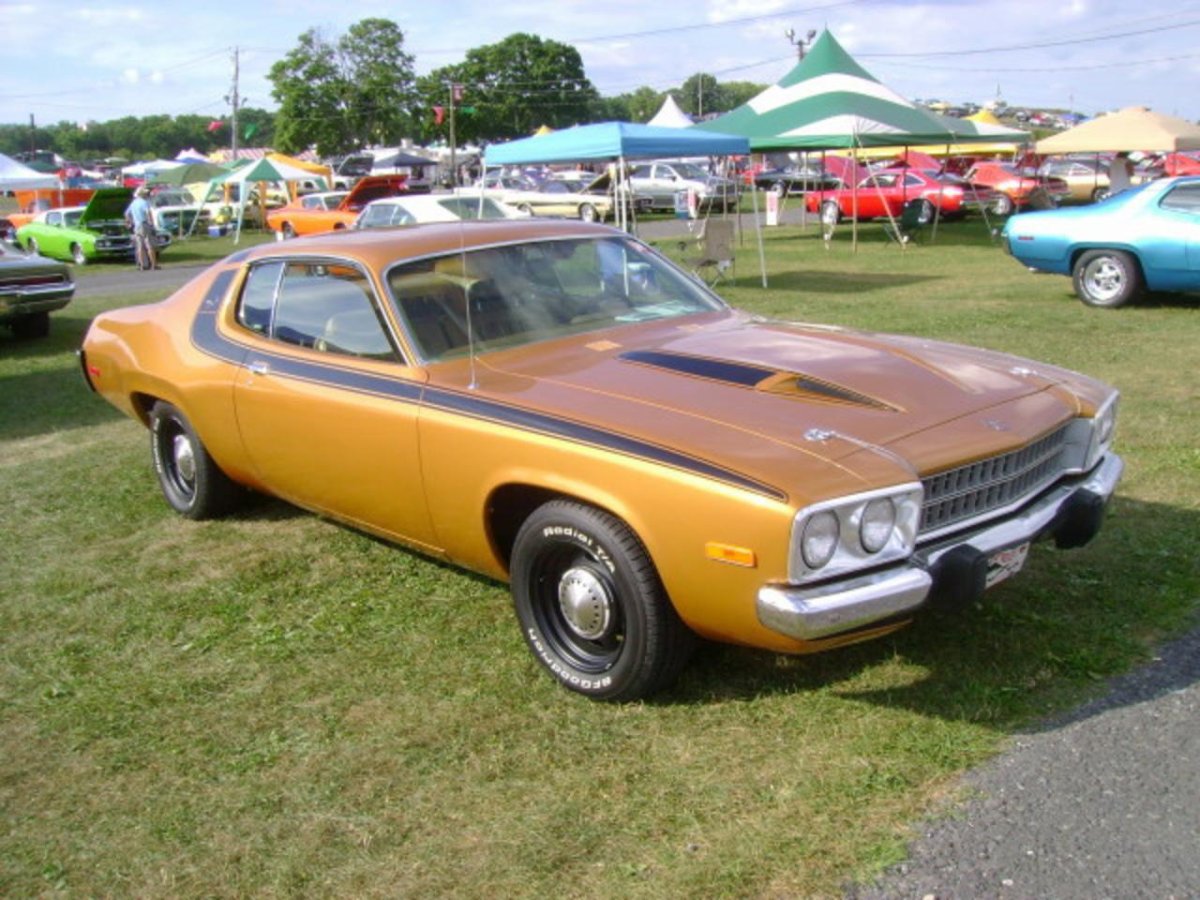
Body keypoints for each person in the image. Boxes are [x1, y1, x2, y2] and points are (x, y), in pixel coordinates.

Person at [125, 186, 157, 270]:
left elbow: (127, 214)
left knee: (140, 246)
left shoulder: (133, 203)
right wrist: (152, 224)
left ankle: (142, 265)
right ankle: (153, 264)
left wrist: (130, 222)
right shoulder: (144, 202)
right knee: (149, 245)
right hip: (144, 224)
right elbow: (148, 213)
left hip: (137, 225)